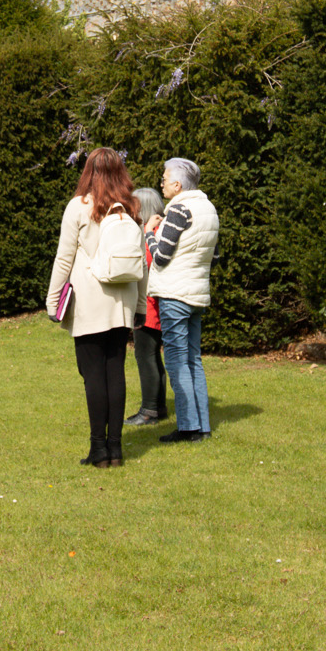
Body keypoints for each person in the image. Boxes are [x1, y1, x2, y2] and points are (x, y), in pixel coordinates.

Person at [46, 148, 143, 469]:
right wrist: (141, 305)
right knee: (115, 373)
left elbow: (64, 257)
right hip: (123, 301)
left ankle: (98, 449)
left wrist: (52, 299)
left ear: (88, 171)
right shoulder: (130, 206)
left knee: (93, 376)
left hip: (90, 300)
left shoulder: (79, 206)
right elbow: (142, 261)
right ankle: (115, 450)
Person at [145, 157, 219, 444]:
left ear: (177, 185)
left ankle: (188, 427)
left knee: (176, 360)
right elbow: (214, 257)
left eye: (164, 178)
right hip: (197, 293)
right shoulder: (209, 208)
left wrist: (149, 233)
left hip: (174, 293)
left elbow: (161, 257)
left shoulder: (178, 208)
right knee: (194, 360)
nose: (161, 182)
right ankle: (203, 426)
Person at [126, 185, 170, 428]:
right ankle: (158, 406)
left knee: (145, 357)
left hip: (149, 306)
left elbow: (143, 260)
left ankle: (149, 409)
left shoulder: (149, 233)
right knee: (153, 357)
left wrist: (144, 231)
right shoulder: (162, 230)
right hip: (157, 304)